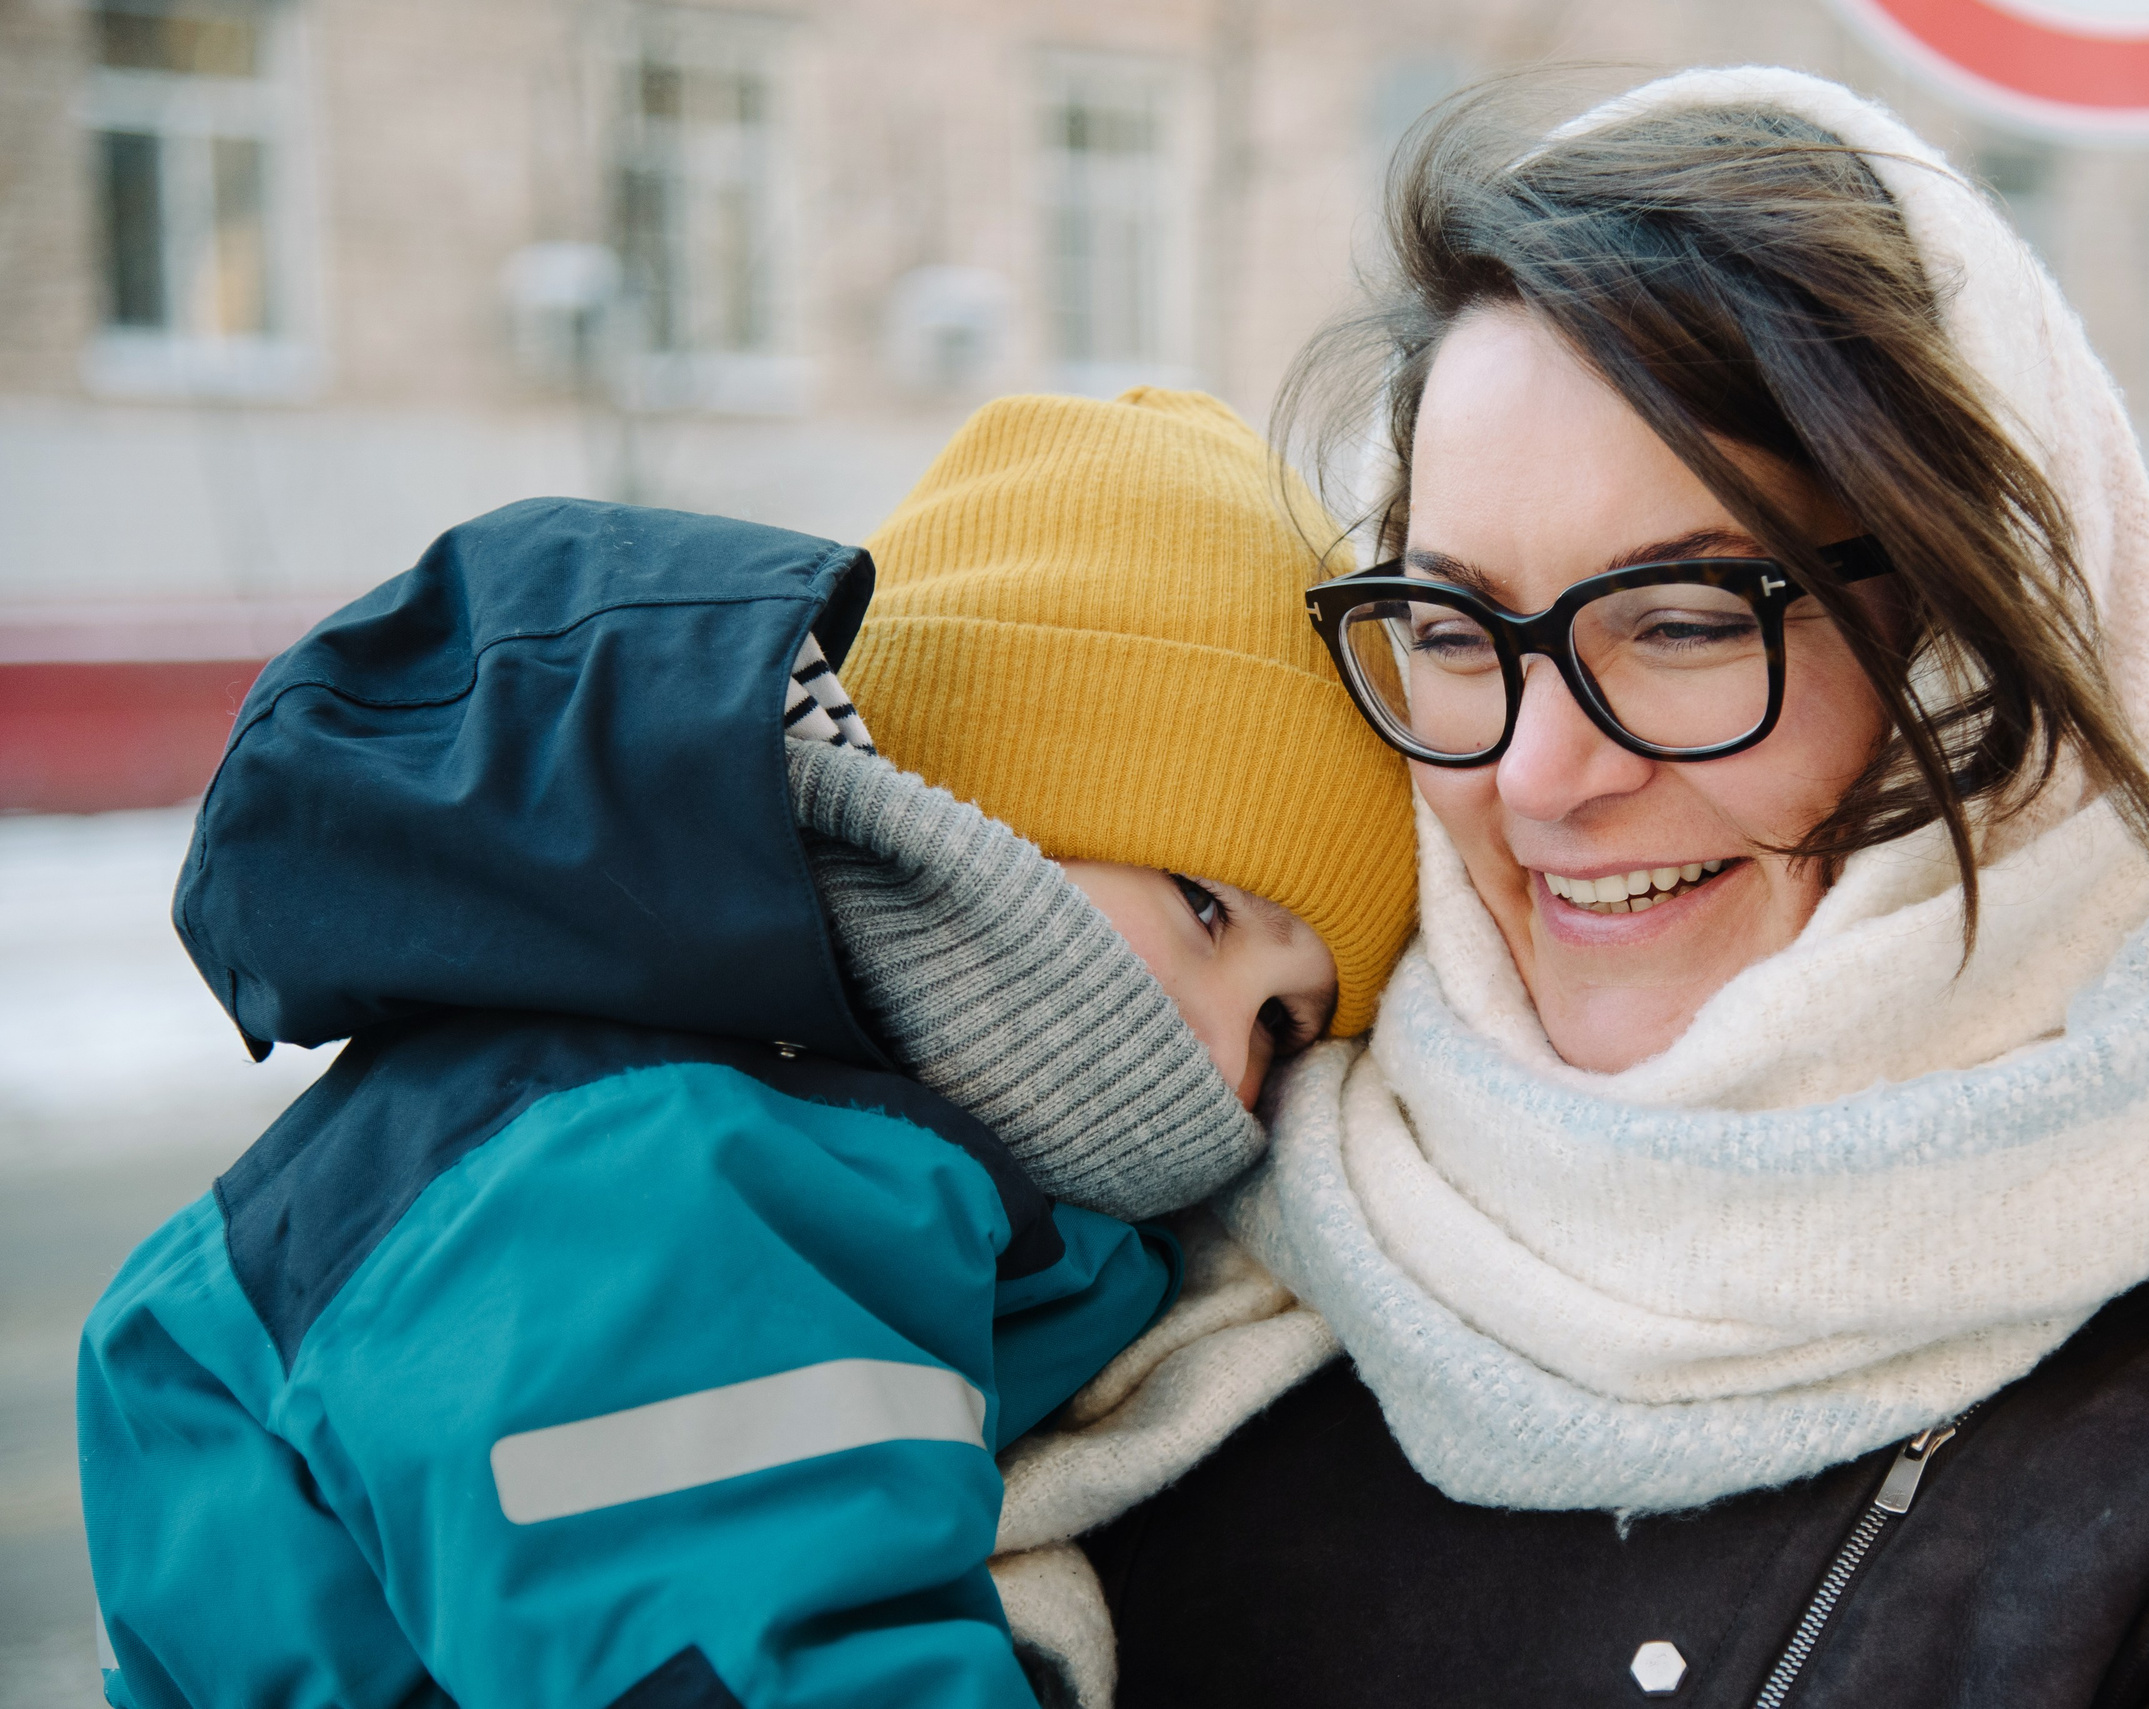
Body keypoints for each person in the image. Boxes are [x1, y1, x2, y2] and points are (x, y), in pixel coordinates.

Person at [980, 71, 2149, 1709]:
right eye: (1456, 633)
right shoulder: (1195, 1274)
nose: (1537, 775)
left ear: (1973, 635)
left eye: (1680, 623)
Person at [76, 388, 1413, 1709]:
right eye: (1203, 909)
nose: (1225, 1066)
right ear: (980, 800)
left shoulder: (812, 1139)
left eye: (1285, 1024)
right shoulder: (656, 1165)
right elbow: (763, 1650)